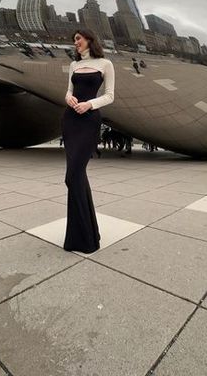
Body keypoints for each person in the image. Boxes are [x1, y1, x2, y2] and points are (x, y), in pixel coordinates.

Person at [62, 28, 115, 253]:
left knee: (73, 175)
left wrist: (89, 104)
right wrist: (70, 98)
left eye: (78, 39)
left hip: (89, 120)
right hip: (70, 120)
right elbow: (67, 91)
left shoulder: (105, 64)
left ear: (89, 40)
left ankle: (85, 234)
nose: (75, 43)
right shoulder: (74, 66)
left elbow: (110, 95)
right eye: (74, 40)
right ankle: (85, 235)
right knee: (76, 177)